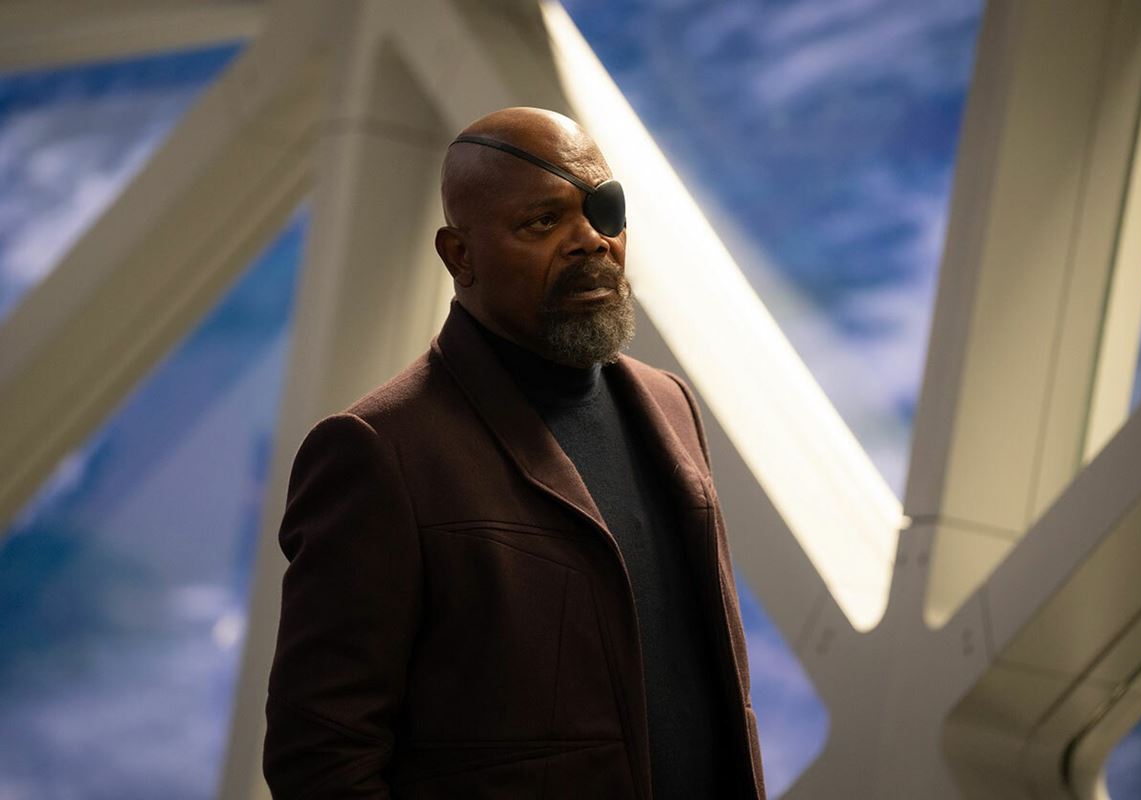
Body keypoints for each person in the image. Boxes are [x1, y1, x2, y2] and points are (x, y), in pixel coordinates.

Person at [263, 107, 766, 799]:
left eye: (603, 210)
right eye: (542, 221)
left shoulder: (669, 404)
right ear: (459, 256)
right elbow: (320, 757)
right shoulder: (378, 452)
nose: (590, 240)